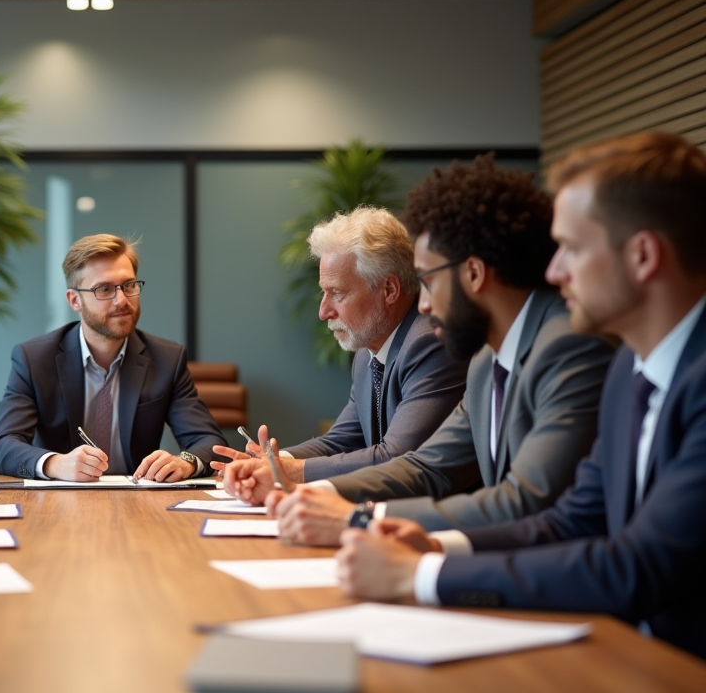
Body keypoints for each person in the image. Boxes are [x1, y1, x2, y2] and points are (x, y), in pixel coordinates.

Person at [333, 132, 706, 660]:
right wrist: (434, 545)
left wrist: (423, 574)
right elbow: (572, 520)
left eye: (573, 249)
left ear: (643, 255)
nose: (554, 271)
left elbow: (636, 566)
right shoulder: (630, 368)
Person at [237, 157, 615, 546]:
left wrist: (359, 517)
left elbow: (525, 500)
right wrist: (316, 493)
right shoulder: (485, 360)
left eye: (429, 281)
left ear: (473, 273)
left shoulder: (569, 346)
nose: (423, 304)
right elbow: (427, 466)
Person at [216, 207, 467, 484]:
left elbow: (396, 457)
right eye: (324, 293)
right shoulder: (366, 354)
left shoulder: (429, 343)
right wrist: (273, 462)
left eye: (337, 293)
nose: (323, 312)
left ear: (389, 290)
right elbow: (341, 441)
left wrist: (291, 471)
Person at [0, 234, 226, 482]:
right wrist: (56, 464)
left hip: (141, 497)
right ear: (75, 300)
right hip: (59, 497)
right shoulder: (35, 359)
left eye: (129, 285)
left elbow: (209, 441)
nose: (122, 300)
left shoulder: (167, 359)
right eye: (104, 289)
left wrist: (185, 462)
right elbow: (2, 446)